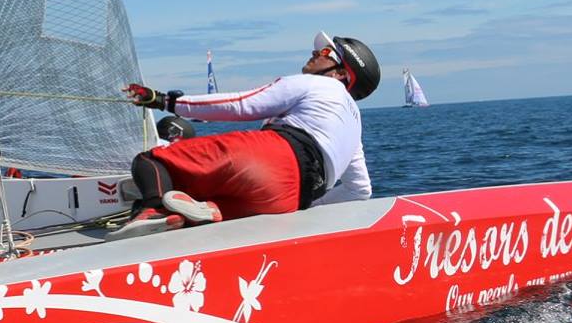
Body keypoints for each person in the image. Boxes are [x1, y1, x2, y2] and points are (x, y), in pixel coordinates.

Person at [114, 31, 380, 234]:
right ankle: (212, 210)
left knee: (150, 162)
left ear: (341, 75)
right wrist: (308, 208)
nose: (315, 53)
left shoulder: (318, 85)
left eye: (325, 52)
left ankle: (153, 211)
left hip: (272, 158)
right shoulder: (354, 125)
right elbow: (360, 191)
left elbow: (242, 104)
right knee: (208, 202)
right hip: (289, 200)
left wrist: (163, 101)